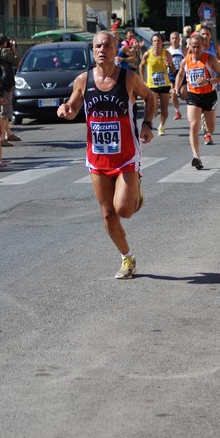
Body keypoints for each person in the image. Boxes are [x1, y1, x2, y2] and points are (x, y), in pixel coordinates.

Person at [57, 31, 156, 279]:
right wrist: (65, 110)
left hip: (126, 156)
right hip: (97, 157)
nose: (102, 49)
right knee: (108, 213)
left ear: (115, 50)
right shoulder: (83, 80)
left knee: (124, 210)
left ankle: (134, 190)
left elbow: (150, 97)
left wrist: (147, 124)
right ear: (93, 51)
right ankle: (127, 258)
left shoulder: (129, 78)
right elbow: (72, 109)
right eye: (98, 46)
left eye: (108, 45)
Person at [174, 34, 220, 169]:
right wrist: (176, 87)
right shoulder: (186, 61)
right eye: (193, 46)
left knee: (211, 128)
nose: (196, 49)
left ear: (203, 46)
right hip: (193, 96)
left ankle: (206, 125)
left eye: (198, 46)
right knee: (193, 125)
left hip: (209, 95)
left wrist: (208, 80)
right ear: (189, 46)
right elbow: (180, 74)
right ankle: (196, 156)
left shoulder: (210, 59)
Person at [139, 33, 175, 136]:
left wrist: (169, 65)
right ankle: (149, 124)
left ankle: (161, 126)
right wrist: (143, 81)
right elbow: (141, 66)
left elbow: (173, 71)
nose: (157, 43)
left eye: (159, 40)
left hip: (164, 84)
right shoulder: (148, 54)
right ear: (152, 42)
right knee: (152, 106)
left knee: (164, 108)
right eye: (155, 41)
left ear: (162, 42)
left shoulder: (166, 53)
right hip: (152, 85)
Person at [166, 31, 187, 120]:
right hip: (171, 75)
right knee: (173, 93)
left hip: (182, 74)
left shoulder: (183, 49)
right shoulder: (167, 51)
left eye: (176, 38)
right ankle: (177, 112)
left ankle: (192, 105)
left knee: (183, 95)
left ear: (179, 39)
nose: (175, 40)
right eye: (173, 38)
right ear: (170, 40)